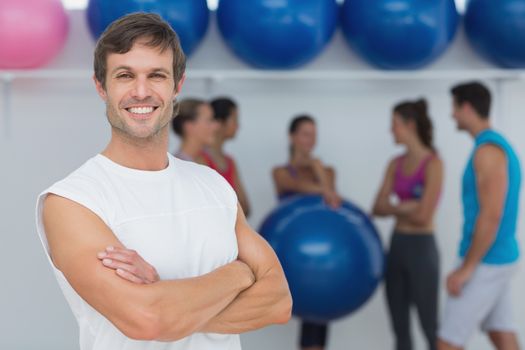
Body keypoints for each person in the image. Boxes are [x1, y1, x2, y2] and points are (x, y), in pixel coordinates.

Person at [35, 13, 292, 350]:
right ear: (101, 87)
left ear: (177, 86)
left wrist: (169, 301)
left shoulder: (213, 184)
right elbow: (147, 319)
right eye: (125, 75)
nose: (141, 92)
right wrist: (240, 274)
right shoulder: (73, 201)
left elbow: (278, 302)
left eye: (156, 75)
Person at [438, 82, 521, 350]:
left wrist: (466, 269)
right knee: (501, 334)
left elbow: (492, 214)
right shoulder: (492, 147)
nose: (452, 115)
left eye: (454, 108)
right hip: (496, 258)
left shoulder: (488, 152)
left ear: (467, 107)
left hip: (486, 261)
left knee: (447, 343)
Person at [372, 99, 443, 350]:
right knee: (400, 330)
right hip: (398, 247)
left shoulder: (433, 163)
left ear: (410, 125)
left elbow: (424, 216)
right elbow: (376, 207)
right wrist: (406, 207)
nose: (391, 131)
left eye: (395, 125)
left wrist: (396, 208)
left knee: (430, 326)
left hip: (422, 250)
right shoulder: (395, 163)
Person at [272, 115, 341, 350]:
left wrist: (316, 167)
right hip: (291, 254)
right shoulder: (281, 172)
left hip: (322, 255)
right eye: (305, 133)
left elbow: (331, 194)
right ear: (292, 137)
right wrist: (322, 187)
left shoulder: (326, 170)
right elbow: (299, 188)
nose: (311, 139)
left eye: (314, 134)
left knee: (317, 314)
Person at [207, 97, 251, 217]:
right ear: (220, 122)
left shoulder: (230, 162)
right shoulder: (200, 159)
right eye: (235, 120)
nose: (238, 126)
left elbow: (246, 207)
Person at [171, 98, 217, 164]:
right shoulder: (181, 166)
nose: (215, 126)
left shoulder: (205, 161)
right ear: (189, 126)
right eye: (209, 120)